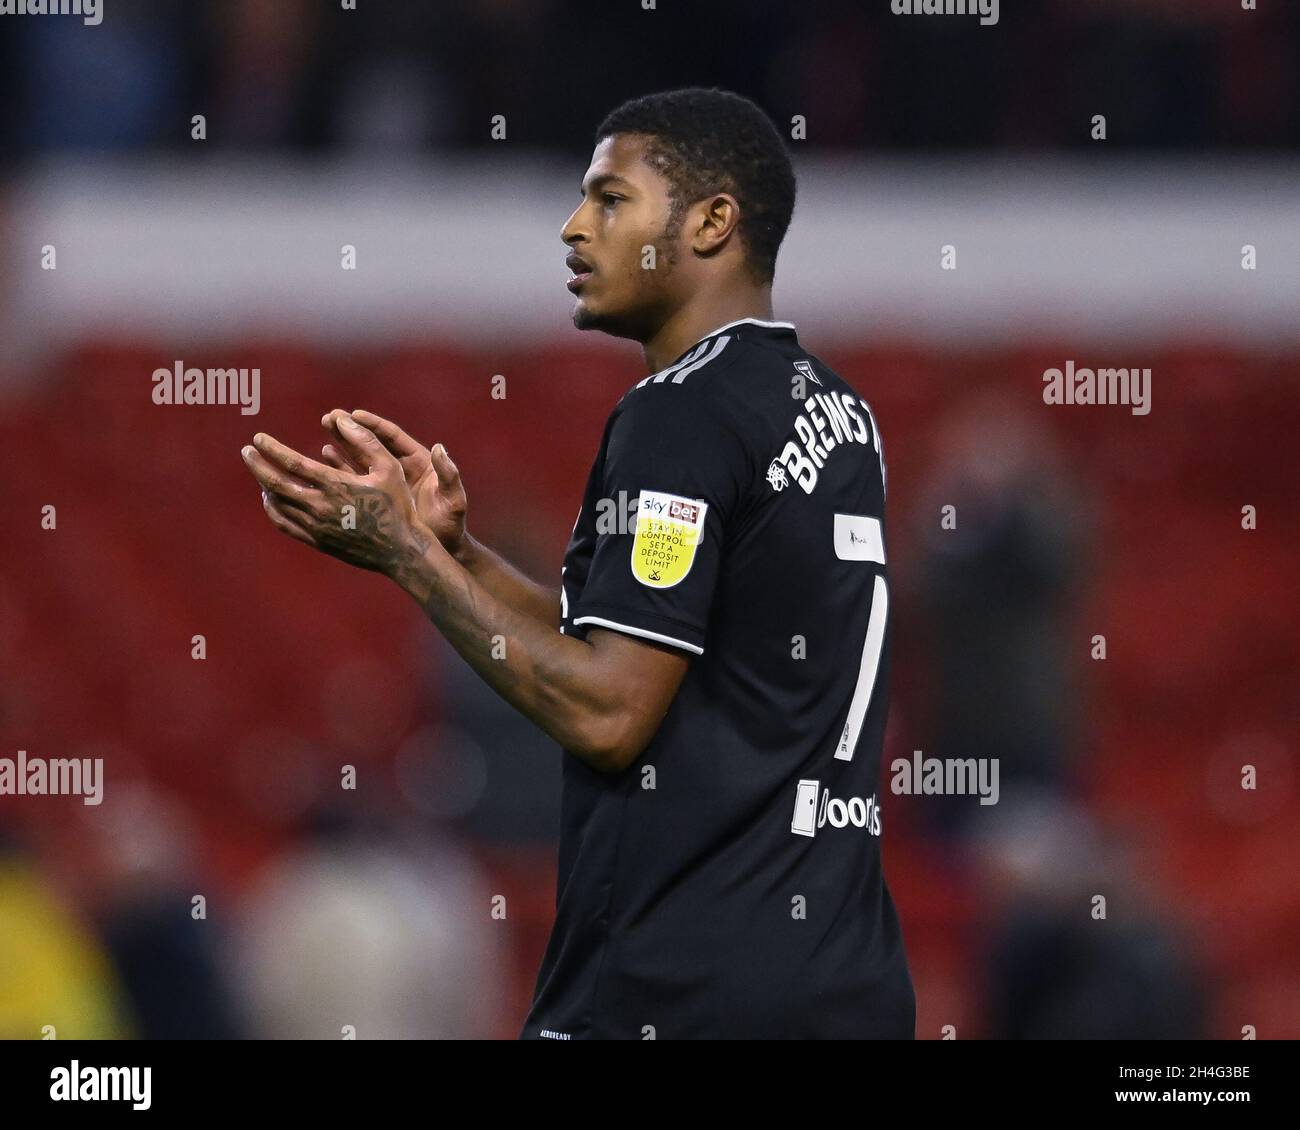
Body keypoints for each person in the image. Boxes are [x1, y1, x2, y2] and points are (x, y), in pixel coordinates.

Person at [240, 87, 914, 1039]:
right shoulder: (837, 411)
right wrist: (456, 554)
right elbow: (627, 637)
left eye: (610, 199)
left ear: (713, 220)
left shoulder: (679, 412)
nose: (572, 228)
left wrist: (406, 560)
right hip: (842, 977)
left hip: (684, 985)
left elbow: (609, 710)